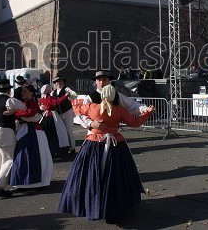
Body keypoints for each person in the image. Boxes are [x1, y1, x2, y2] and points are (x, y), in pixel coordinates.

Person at [58, 85, 155, 222]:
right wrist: (148, 112)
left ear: (102, 95)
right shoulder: (119, 110)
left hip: (94, 144)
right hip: (115, 144)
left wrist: (91, 123)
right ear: (115, 96)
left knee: (90, 175)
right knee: (116, 176)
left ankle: (93, 204)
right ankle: (115, 206)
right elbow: (135, 122)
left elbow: (75, 107)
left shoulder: (92, 107)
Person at [4, 85, 53, 189]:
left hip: (33, 131)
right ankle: (26, 180)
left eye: (25, 91)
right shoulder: (25, 103)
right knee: (25, 155)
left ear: (31, 93)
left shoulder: (31, 102)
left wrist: (15, 112)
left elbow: (31, 113)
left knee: (32, 155)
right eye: (22, 91)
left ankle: (35, 180)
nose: (23, 93)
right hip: (27, 130)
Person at [78, 70, 150, 129]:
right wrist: (91, 123)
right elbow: (80, 114)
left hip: (113, 133)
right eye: (99, 80)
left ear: (109, 81)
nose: (101, 82)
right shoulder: (90, 97)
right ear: (95, 82)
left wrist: (145, 109)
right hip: (95, 134)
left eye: (104, 80)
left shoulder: (117, 95)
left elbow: (132, 105)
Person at [39, 84, 70, 157]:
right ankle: (56, 150)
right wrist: (65, 96)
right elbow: (57, 102)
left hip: (45, 117)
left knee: (48, 135)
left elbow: (40, 105)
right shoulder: (49, 98)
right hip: (52, 116)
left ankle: (49, 150)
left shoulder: (42, 98)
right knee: (56, 134)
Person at [51, 76, 78, 153]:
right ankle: (65, 148)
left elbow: (74, 95)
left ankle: (72, 148)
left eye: (60, 81)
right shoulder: (54, 92)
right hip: (59, 113)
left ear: (63, 82)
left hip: (67, 112)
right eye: (57, 82)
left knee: (69, 131)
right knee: (61, 131)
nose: (58, 83)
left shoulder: (66, 89)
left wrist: (69, 95)